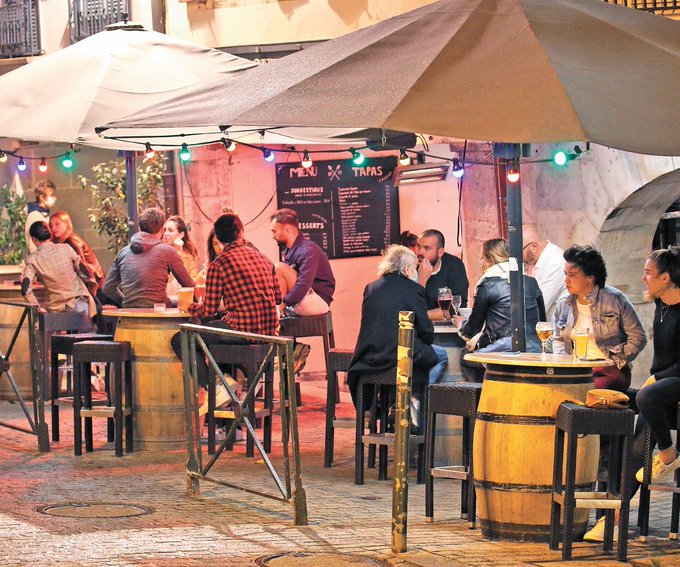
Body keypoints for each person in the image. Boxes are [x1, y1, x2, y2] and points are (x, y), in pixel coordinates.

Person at [584, 247, 679, 543]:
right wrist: (657, 378)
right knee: (634, 446)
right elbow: (662, 358)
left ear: (666, 278)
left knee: (646, 397)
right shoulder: (661, 305)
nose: (643, 278)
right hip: (666, 386)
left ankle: (668, 455)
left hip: (673, 383)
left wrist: (657, 379)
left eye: (648, 273)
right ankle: (613, 520)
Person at [170, 213, 281, 405]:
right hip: (268, 334)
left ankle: (217, 386)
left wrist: (190, 307)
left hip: (241, 332)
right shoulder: (264, 259)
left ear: (219, 239)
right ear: (241, 233)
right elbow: (278, 298)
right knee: (215, 337)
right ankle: (237, 390)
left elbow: (208, 310)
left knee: (181, 339)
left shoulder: (219, 264)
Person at [348, 245, 448, 423]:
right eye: (415, 268)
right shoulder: (414, 289)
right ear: (407, 269)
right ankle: (413, 400)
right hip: (399, 356)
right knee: (441, 356)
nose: (416, 272)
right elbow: (426, 333)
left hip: (369, 357)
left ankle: (395, 404)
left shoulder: (371, 288)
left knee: (417, 356)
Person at [552, 245, 646, 392]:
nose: (566, 280)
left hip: (608, 369)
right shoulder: (564, 302)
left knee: (584, 391)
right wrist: (564, 363)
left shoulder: (615, 299)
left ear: (590, 277)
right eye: (565, 274)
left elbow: (638, 337)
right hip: (576, 369)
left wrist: (615, 358)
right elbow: (558, 338)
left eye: (572, 275)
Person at [455, 238, 545, 383]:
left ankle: (484, 393)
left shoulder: (487, 285)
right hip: (536, 346)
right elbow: (542, 321)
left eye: (482, 258)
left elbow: (473, 328)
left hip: (504, 347)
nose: (481, 262)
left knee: (465, 358)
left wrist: (461, 326)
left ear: (491, 260)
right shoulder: (531, 282)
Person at [102, 208, 194, 308]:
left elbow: (108, 288)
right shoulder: (168, 252)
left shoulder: (123, 252)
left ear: (140, 228)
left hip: (130, 313)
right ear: (162, 230)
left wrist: (126, 302)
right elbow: (189, 285)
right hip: (160, 312)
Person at [21, 221, 93, 323]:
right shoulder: (66, 248)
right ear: (49, 234)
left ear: (33, 239)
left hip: (55, 313)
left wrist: (38, 308)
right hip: (78, 305)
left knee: (44, 330)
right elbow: (84, 273)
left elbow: (25, 290)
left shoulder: (33, 259)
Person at [270, 208, 335, 316]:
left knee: (278, 267)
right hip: (304, 300)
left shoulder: (308, 250)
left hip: (318, 302)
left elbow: (303, 284)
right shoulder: (290, 251)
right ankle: (277, 311)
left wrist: (282, 305)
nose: (272, 236)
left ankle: (276, 312)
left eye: (274, 231)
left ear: (287, 230)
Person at [416, 229, 469, 320]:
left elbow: (457, 307)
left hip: (445, 326)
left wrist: (422, 315)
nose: (420, 252)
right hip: (418, 326)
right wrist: (421, 281)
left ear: (440, 252)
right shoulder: (410, 266)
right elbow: (407, 305)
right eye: (419, 247)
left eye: (427, 248)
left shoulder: (454, 266)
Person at [49, 211, 104, 297]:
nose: (53, 228)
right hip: (91, 283)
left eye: (57, 224)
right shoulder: (65, 241)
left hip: (94, 286)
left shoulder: (71, 241)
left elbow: (80, 266)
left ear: (66, 224)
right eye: (51, 225)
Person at [522, 225, 567, 320]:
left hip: (556, 327)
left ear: (534, 247)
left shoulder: (555, 263)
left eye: (519, 250)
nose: (518, 256)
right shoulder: (533, 261)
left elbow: (537, 307)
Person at [162, 215, 200, 294]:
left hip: (184, 296)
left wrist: (179, 253)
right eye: (164, 230)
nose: (165, 233)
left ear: (181, 235)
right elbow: (167, 279)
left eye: (170, 230)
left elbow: (191, 281)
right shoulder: (159, 252)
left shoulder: (189, 255)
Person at [25, 180, 56, 256]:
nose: (54, 197)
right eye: (51, 195)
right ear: (42, 197)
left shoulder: (45, 213)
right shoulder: (34, 216)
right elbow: (32, 243)